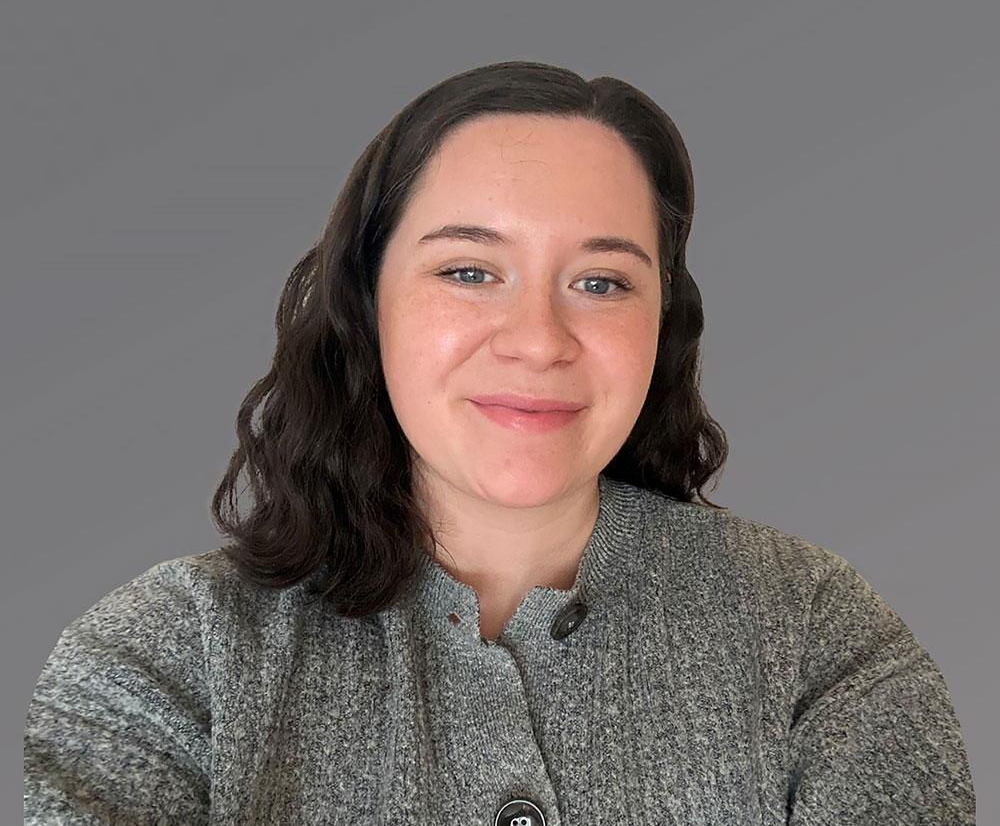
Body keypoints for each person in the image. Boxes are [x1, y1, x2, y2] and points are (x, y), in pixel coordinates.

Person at [24, 61, 976, 825]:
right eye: (471, 270)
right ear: (365, 304)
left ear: (661, 324)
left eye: (601, 282)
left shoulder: (812, 633)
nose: (537, 339)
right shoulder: (164, 660)